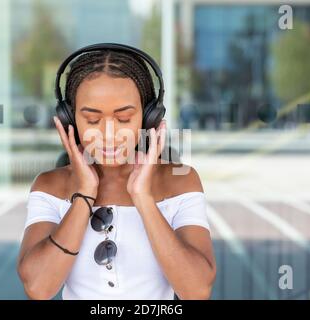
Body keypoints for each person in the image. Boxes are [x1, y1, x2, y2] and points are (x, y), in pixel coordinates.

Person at [17, 44, 216, 300]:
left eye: (123, 118)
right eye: (91, 120)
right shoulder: (49, 186)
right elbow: (38, 288)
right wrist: (85, 193)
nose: (109, 135)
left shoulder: (181, 181)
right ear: (69, 119)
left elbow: (197, 290)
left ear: (148, 118)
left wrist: (143, 197)